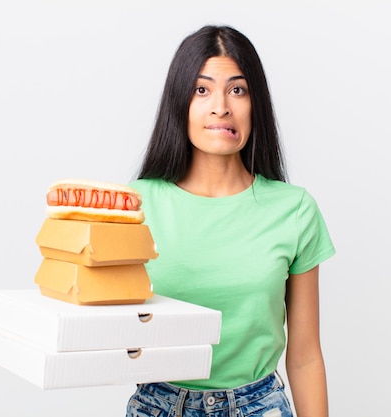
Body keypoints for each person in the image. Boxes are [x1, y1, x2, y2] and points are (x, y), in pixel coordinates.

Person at [126, 25, 335, 417]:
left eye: (237, 90)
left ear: (256, 103)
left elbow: (305, 356)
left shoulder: (294, 210)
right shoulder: (136, 204)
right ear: (179, 103)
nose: (221, 106)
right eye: (202, 90)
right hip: (158, 404)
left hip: (260, 406)